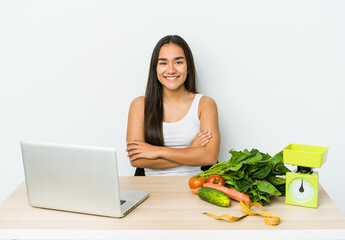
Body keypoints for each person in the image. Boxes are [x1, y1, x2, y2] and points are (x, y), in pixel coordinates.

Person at [126, 35, 220, 176]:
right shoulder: (139, 105)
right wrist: (191, 151)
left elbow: (210, 157)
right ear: (155, 68)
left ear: (188, 67)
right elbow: (136, 159)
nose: (171, 70)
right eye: (163, 63)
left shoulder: (205, 104)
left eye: (178, 62)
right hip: (150, 189)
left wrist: (157, 151)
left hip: (194, 187)